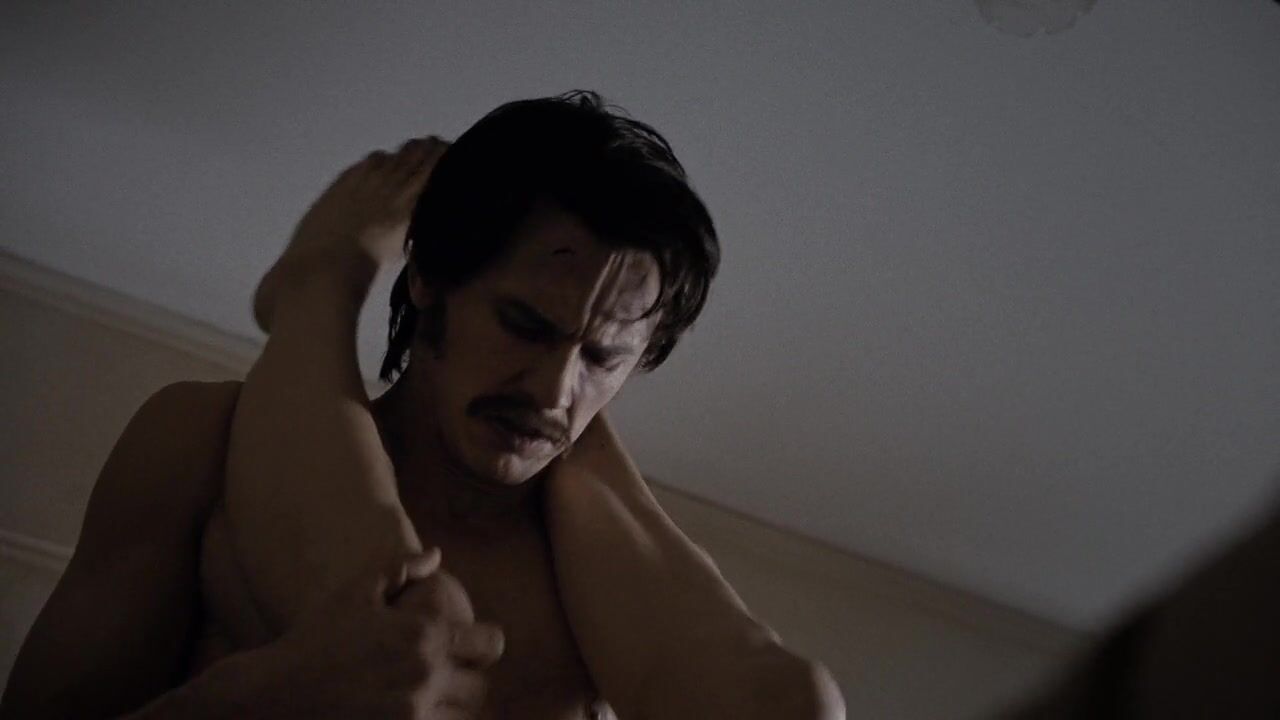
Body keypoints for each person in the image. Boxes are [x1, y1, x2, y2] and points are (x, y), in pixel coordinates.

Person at [0, 91, 845, 720]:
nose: (555, 391)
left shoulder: (605, 580)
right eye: (523, 324)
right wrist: (257, 700)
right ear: (429, 279)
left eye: (601, 357)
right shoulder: (202, 440)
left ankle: (313, 289)